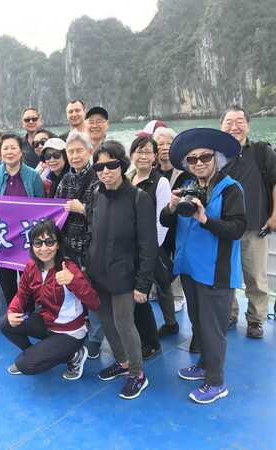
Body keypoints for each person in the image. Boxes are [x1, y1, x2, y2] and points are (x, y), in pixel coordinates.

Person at [160, 128, 246, 404]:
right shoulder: (187, 186)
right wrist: (171, 207)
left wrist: (205, 219)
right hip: (189, 268)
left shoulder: (231, 188)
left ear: (216, 158)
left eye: (205, 157)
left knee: (213, 328)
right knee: (198, 322)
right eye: (192, 159)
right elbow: (165, 221)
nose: (198, 163)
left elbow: (237, 228)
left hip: (215, 271)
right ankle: (204, 365)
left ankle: (216, 382)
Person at [86, 140, 157, 400]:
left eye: (111, 165)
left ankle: (137, 374)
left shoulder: (139, 198)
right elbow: (94, 233)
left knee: (124, 323)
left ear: (122, 164)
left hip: (125, 276)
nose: (105, 171)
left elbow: (148, 245)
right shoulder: (97, 194)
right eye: (99, 167)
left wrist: (143, 284)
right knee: (106, 321)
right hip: (98, 273)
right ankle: (123, 361)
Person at [0, 219, 99, 379]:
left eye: (50, 242)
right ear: (32, 246)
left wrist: (73, 281)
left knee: (25, 365)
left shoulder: (69, 269)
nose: (44, 248)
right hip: (47, 322)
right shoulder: (32, 266)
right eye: (38, 243)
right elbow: (22, 294)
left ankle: (74, 355)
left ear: (58, 244)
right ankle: (37, 354)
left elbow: (94, 303)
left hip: (69, 332)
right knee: (5, 323)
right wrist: (12, 310)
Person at [220, 106, 276, 338]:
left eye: (240, 121)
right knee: (224, 276)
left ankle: (256, 320)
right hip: (224, 227)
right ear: (221, 126)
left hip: (254, 227)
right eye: (229, 122)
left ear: (248, 125)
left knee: (256, 277)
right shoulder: (215, 154)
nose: (234, 126)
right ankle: (228, 314)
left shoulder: (261, 151)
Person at [55, 131, 102, 359]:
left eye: (79, 151)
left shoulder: (98, 178)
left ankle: (95, 339)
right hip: (68, 249)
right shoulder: (65, 179)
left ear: (90, 151)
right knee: (74, 291)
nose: (74, 156)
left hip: (91, 248)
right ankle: (77, 330)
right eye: (71, 151)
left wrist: (82, 208)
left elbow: (105, 215)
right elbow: (54, 211)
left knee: (92, 293)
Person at [0, 133, 44, 307]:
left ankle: (30, 309)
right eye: (5, 148)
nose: (9, 152)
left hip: (26, 237)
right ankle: (13, 308)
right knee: (6, 277)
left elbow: (41, 205)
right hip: (3, 236)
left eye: (13, 148)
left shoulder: (33, 176)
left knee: (29, 276)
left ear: (20, 151)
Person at [129, 136, 172, 355]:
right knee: (133, 296)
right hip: (129, 248)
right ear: (132, 155)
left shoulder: (160, 182)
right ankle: (141, 337)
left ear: (155, 156)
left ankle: (152, 342)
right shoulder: (128, 178)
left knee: (142, 296)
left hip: (148, 249)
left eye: (148, 152)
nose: (143, 156)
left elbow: (162, 221)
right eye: (139, 151)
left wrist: (150, 249)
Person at [153, 126, 191, 316]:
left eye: (169, 143)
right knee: (158, 256)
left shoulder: (185, 172)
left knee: (175, 259)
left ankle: (177, 296)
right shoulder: (152, 173)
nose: (165, 147)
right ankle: (157, 290)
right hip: (158, 222)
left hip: (178, 224)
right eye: (160, 144)